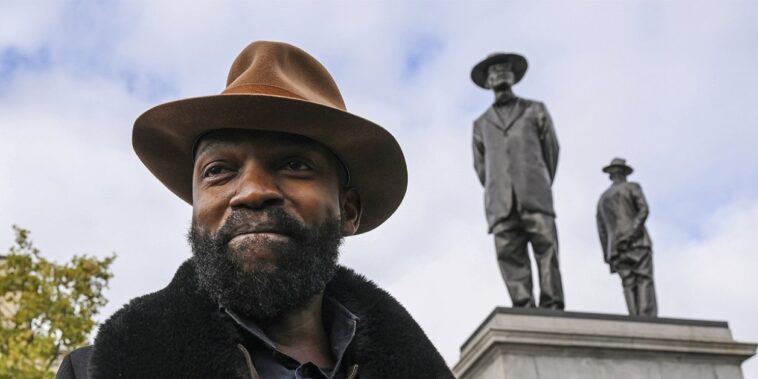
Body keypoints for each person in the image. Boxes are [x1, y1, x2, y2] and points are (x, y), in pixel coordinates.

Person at [56, 41, 453, 378]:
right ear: (196, 208)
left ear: (348, 210)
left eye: (294, 164)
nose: (252, 192)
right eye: (218, 170)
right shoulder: (92, 372)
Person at [470, 53, 564, 309]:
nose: (498, 74)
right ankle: (523, 307)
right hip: (500, 201)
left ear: (513, 76)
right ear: (487, 82)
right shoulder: (480, 124)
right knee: (510, 255)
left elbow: (551, 152)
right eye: (492, 71)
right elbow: (481, 167)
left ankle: (552, 304)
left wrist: (538, 180)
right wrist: (498, 186)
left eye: (504, 69)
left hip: (535, 194)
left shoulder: (535, 110)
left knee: (547, 249)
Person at [596, 158, 657, 317]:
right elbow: (643, 210)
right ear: (625, 174)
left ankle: (633, 315)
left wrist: (608, 255)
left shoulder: (603, 199)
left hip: (615, 249)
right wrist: (632, 233)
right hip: (637, 242)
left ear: (611, 175)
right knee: (644, 278)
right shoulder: (632, 187)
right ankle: (645, 316)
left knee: (628, 283)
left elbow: (601, 231)